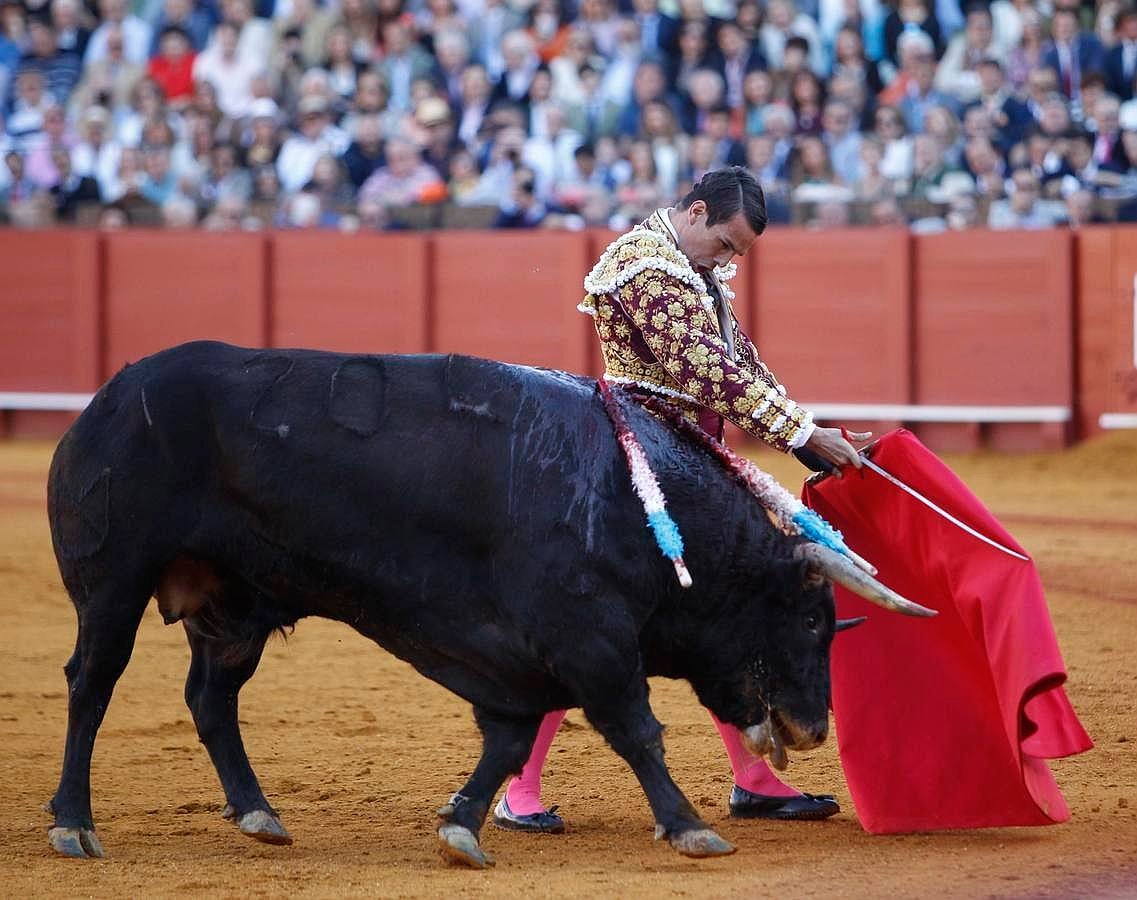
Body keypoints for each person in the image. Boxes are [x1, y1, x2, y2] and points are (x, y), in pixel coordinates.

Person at [492, 167, 871, 833]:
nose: (728, 261)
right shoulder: (641, 266)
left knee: (714, 617)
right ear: (695, 213)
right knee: (586, 619)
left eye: (737, 254)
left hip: (688, 465)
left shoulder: (690, 268)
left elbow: (740, 365)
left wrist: (806, 432)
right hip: (626, 466)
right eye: (724, 244)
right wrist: (798, 433)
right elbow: (701, 369)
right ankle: (517, 786)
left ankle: (752, 777)